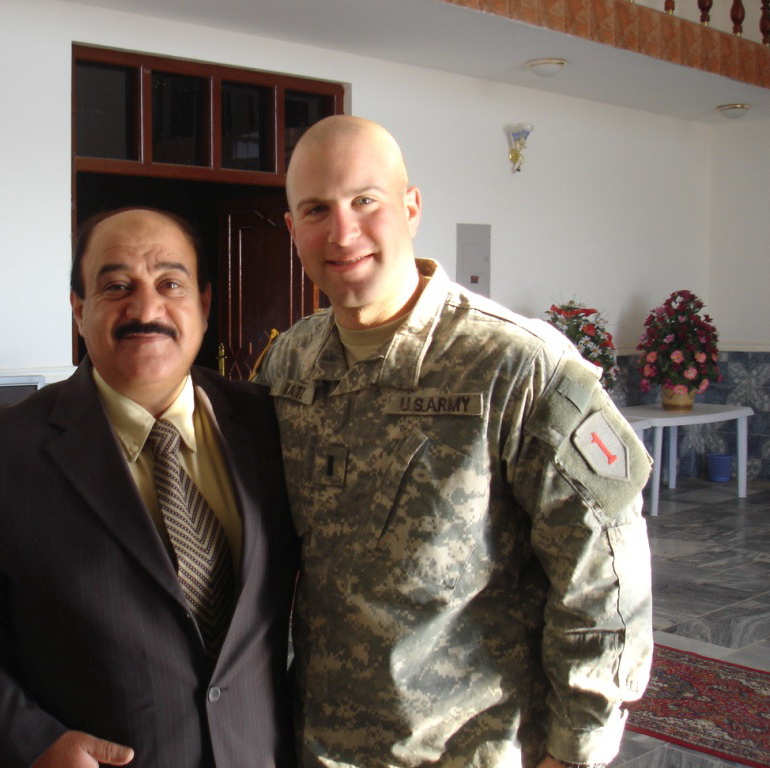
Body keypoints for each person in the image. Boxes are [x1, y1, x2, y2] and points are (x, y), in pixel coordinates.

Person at [254, 115, 654, 768]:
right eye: (316, 209)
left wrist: (577, 749)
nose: (343, 232)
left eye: (365, 201)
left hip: (473, 750)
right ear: (293, 229)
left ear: (411, 207)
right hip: (318, 745)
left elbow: (603, 572)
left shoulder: (517, 367)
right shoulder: (287, 366)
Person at [0, 208, 298, 768]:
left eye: (170, 284)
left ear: (204, 304)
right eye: (116, 287)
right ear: (79, 309)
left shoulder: (271, 425)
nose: (146, 310)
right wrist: (31, 745)